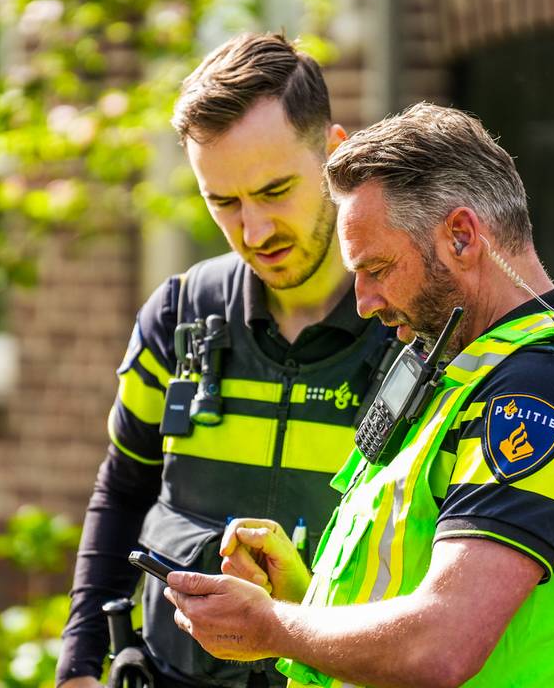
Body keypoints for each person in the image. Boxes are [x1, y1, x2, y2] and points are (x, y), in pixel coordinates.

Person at [164, 103, 554, 688]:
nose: (363, 302)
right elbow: (412, 597)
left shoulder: (548, 387)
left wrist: (272, 626)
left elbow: (441, 645)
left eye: (378, 268)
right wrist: (305, 600)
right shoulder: (467, 369)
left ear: (462, 236)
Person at [57, 33, 395, 688]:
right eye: (225, 202)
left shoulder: (415, 331)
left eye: (275, 190)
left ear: (335, 154)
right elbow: (123, 490)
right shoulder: (176, 316)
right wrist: (78, 666)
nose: (255, 231)